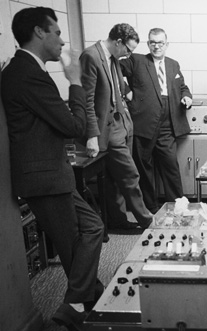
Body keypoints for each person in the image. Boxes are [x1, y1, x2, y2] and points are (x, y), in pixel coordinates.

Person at [2, 7, 104, 328]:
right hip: (44, 179)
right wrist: (75, 82)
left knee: (91, 229)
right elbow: (72, 124)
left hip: (52, 175)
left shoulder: (28, 71)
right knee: (75, 245)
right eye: (57, 32)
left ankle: (90, 298)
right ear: (39, 32)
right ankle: (74, 306)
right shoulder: (24, 73)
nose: (62, 40)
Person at [80, 23, 153, 229]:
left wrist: (127, 118)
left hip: (122, 122)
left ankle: (118, 221)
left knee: (115, 177)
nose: (128, 55)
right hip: (107, 128)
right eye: (128, 50)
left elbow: (117, 89)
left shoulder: (113, 58)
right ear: (118, 42)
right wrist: (92, 135)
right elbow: (86, 100)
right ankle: (147, 221)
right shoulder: (91, 56)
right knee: (130, 175)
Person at [120, 28, 192, 213]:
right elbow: (113, 69)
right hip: (144, 123)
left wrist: (187, 97)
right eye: (153, 42)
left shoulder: (173, 65)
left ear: (166, 44)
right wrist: (125, 90)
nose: (156, 46)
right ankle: (149, 209)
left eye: (160, 42)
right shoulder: (136, 60)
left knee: (171, 168)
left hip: (168, 124)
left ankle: (177, 206)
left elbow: (182, 86)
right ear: (148, 44)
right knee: (144, 169)